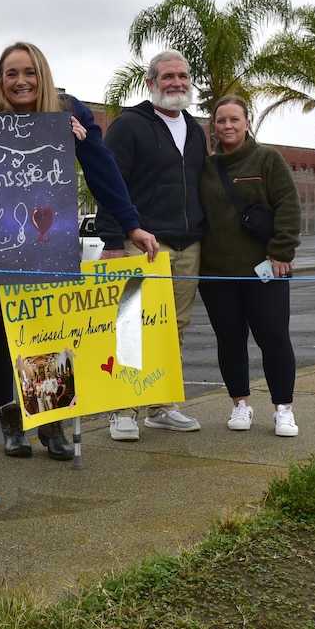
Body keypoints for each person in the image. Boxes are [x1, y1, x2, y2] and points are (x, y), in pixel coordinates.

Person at [0, 41, 158, 458]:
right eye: (11, 74)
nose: (21, 81)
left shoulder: (71, 113)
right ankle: (11, 418)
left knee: (45, 331)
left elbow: (103, 169)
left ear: (42, 75)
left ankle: (50, 421)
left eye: (29, 72)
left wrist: (131, 225)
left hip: (48, 241)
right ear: (0, 80)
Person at [94, 50, 207, 441]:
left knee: (174, 327)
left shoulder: (194, 130)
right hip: (138, 242)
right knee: (131, 325)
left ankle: (162, 405)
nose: (177, 82)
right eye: (168, 76)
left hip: (186, 245)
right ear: (150, 83)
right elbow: (110, 184)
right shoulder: (128, 126)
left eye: (183, 75)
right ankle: (122, 411)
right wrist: (111, 238)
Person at [196, 95, 302, 437]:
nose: (227, 126)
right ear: (214, 126)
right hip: (216, 272)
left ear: (247, 122)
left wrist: (282, 250)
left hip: (265, 270)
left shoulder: (267, 158)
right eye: (221, 120)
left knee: (273, 337)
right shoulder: (206, 167)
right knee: (229, 339)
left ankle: (283, 408)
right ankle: (240, 403)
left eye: (234, 120)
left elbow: (288, 204)